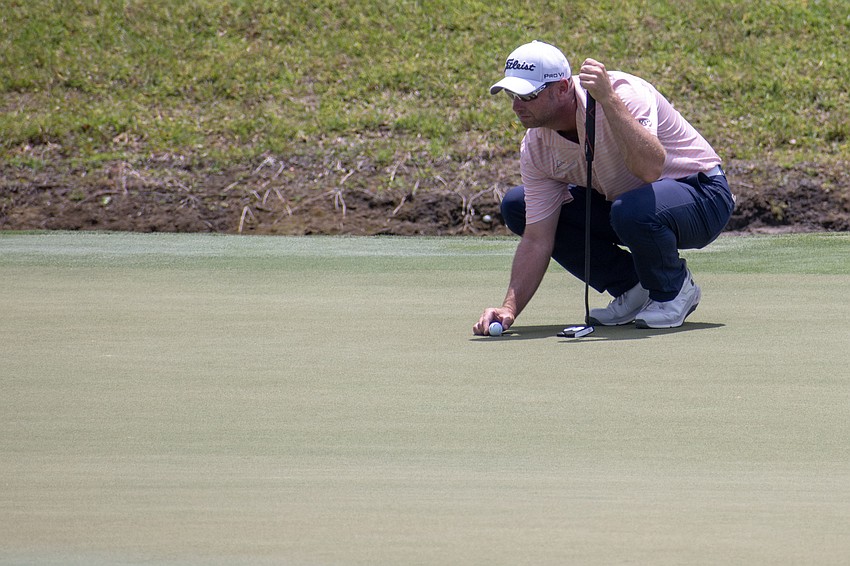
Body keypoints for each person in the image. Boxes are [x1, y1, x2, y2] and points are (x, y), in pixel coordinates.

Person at [473, 40, 735, 335]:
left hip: (703, 197)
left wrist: (608, 100)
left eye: (527, 95)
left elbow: (649, 169)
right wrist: (509, 308)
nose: (516, 105)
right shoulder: (535, 146)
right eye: (511, 94)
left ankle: (672, 290)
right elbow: (537, 239)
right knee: (517, 205)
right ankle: (634, 287)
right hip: (627, 206)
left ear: (562, 88)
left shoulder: (623, 92)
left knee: (631, 210)